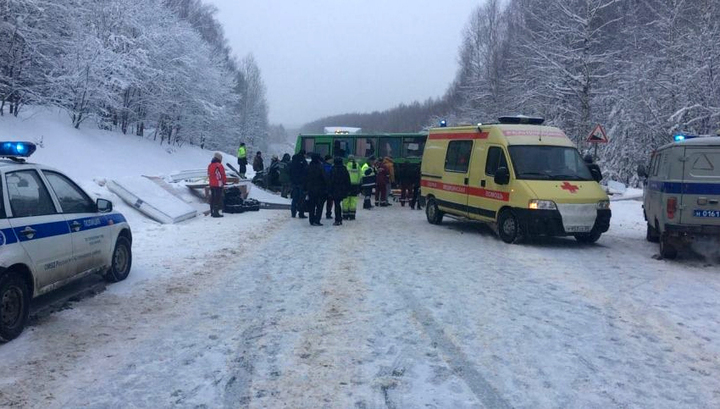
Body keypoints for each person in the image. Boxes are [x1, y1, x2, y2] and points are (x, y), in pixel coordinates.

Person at [304, 153, 327, 226]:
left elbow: (305, 179)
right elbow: (325, 178)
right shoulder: (320, 167)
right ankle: (317, 220)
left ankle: (311, 220)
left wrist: (305, 188)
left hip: (310, 189)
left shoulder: (308, 167)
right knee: (319, 206)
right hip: (320, 189)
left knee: (312, 205)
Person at [328, 157, 351, 225]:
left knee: (336, 204)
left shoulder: (333, 169)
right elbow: (348, 180)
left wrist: (329, 190)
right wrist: (348, 189)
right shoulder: (344, 169)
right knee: (338, 204)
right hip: (342, 190)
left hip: (335, 190)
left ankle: (338, 219)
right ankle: (339, 219)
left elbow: (330, 181)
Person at [289, 150, 308, 218]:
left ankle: (293, 213)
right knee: (302, 199)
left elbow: (290, 171)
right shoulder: (303, 161)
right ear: (303, 154)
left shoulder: (293, 161)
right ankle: (301, 213)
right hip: (301, 183)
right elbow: (306, 172)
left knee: (294, 198)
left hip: (294, 182)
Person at [207, 152, 227, 218]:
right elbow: (222, 175)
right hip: (218, 184)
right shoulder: (219, 165)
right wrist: (224, 182)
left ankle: (212, 211)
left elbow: (208, 174)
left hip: (211, 184)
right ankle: (216, 212)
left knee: (212, 197)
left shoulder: (210, 165)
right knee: (217, 198)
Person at [343, 155, 362, 219]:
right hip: (355, 185)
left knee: (346, 199)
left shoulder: (346, 165)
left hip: (347, 185)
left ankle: (345, 215)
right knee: (353, 200)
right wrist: (358, 182)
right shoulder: (357, 165)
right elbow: (360, 174)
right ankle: (352, 215)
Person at [323, 154, 334, 219]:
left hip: (325, 187)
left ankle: (328, 213)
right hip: (328, 186)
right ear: (328, 160)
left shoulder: (323, 166)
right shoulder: (330, 167)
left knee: (327, 201)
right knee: (329, 201)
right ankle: (328, 213)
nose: (332, 160)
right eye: (331, 159)